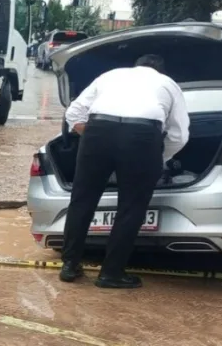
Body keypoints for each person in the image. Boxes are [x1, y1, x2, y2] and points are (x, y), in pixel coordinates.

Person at [60, 54, 189, 289]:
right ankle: (111, 273)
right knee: (131, 207)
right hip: (142, 137)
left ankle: (69, 266)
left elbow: (73, 114)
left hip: (98, 130)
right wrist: (157, 158)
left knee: (82, 200)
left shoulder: (110, 75)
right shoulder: (168, 84)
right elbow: (179, 135)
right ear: (159, 70)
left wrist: (93, 137)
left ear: (136, 66)